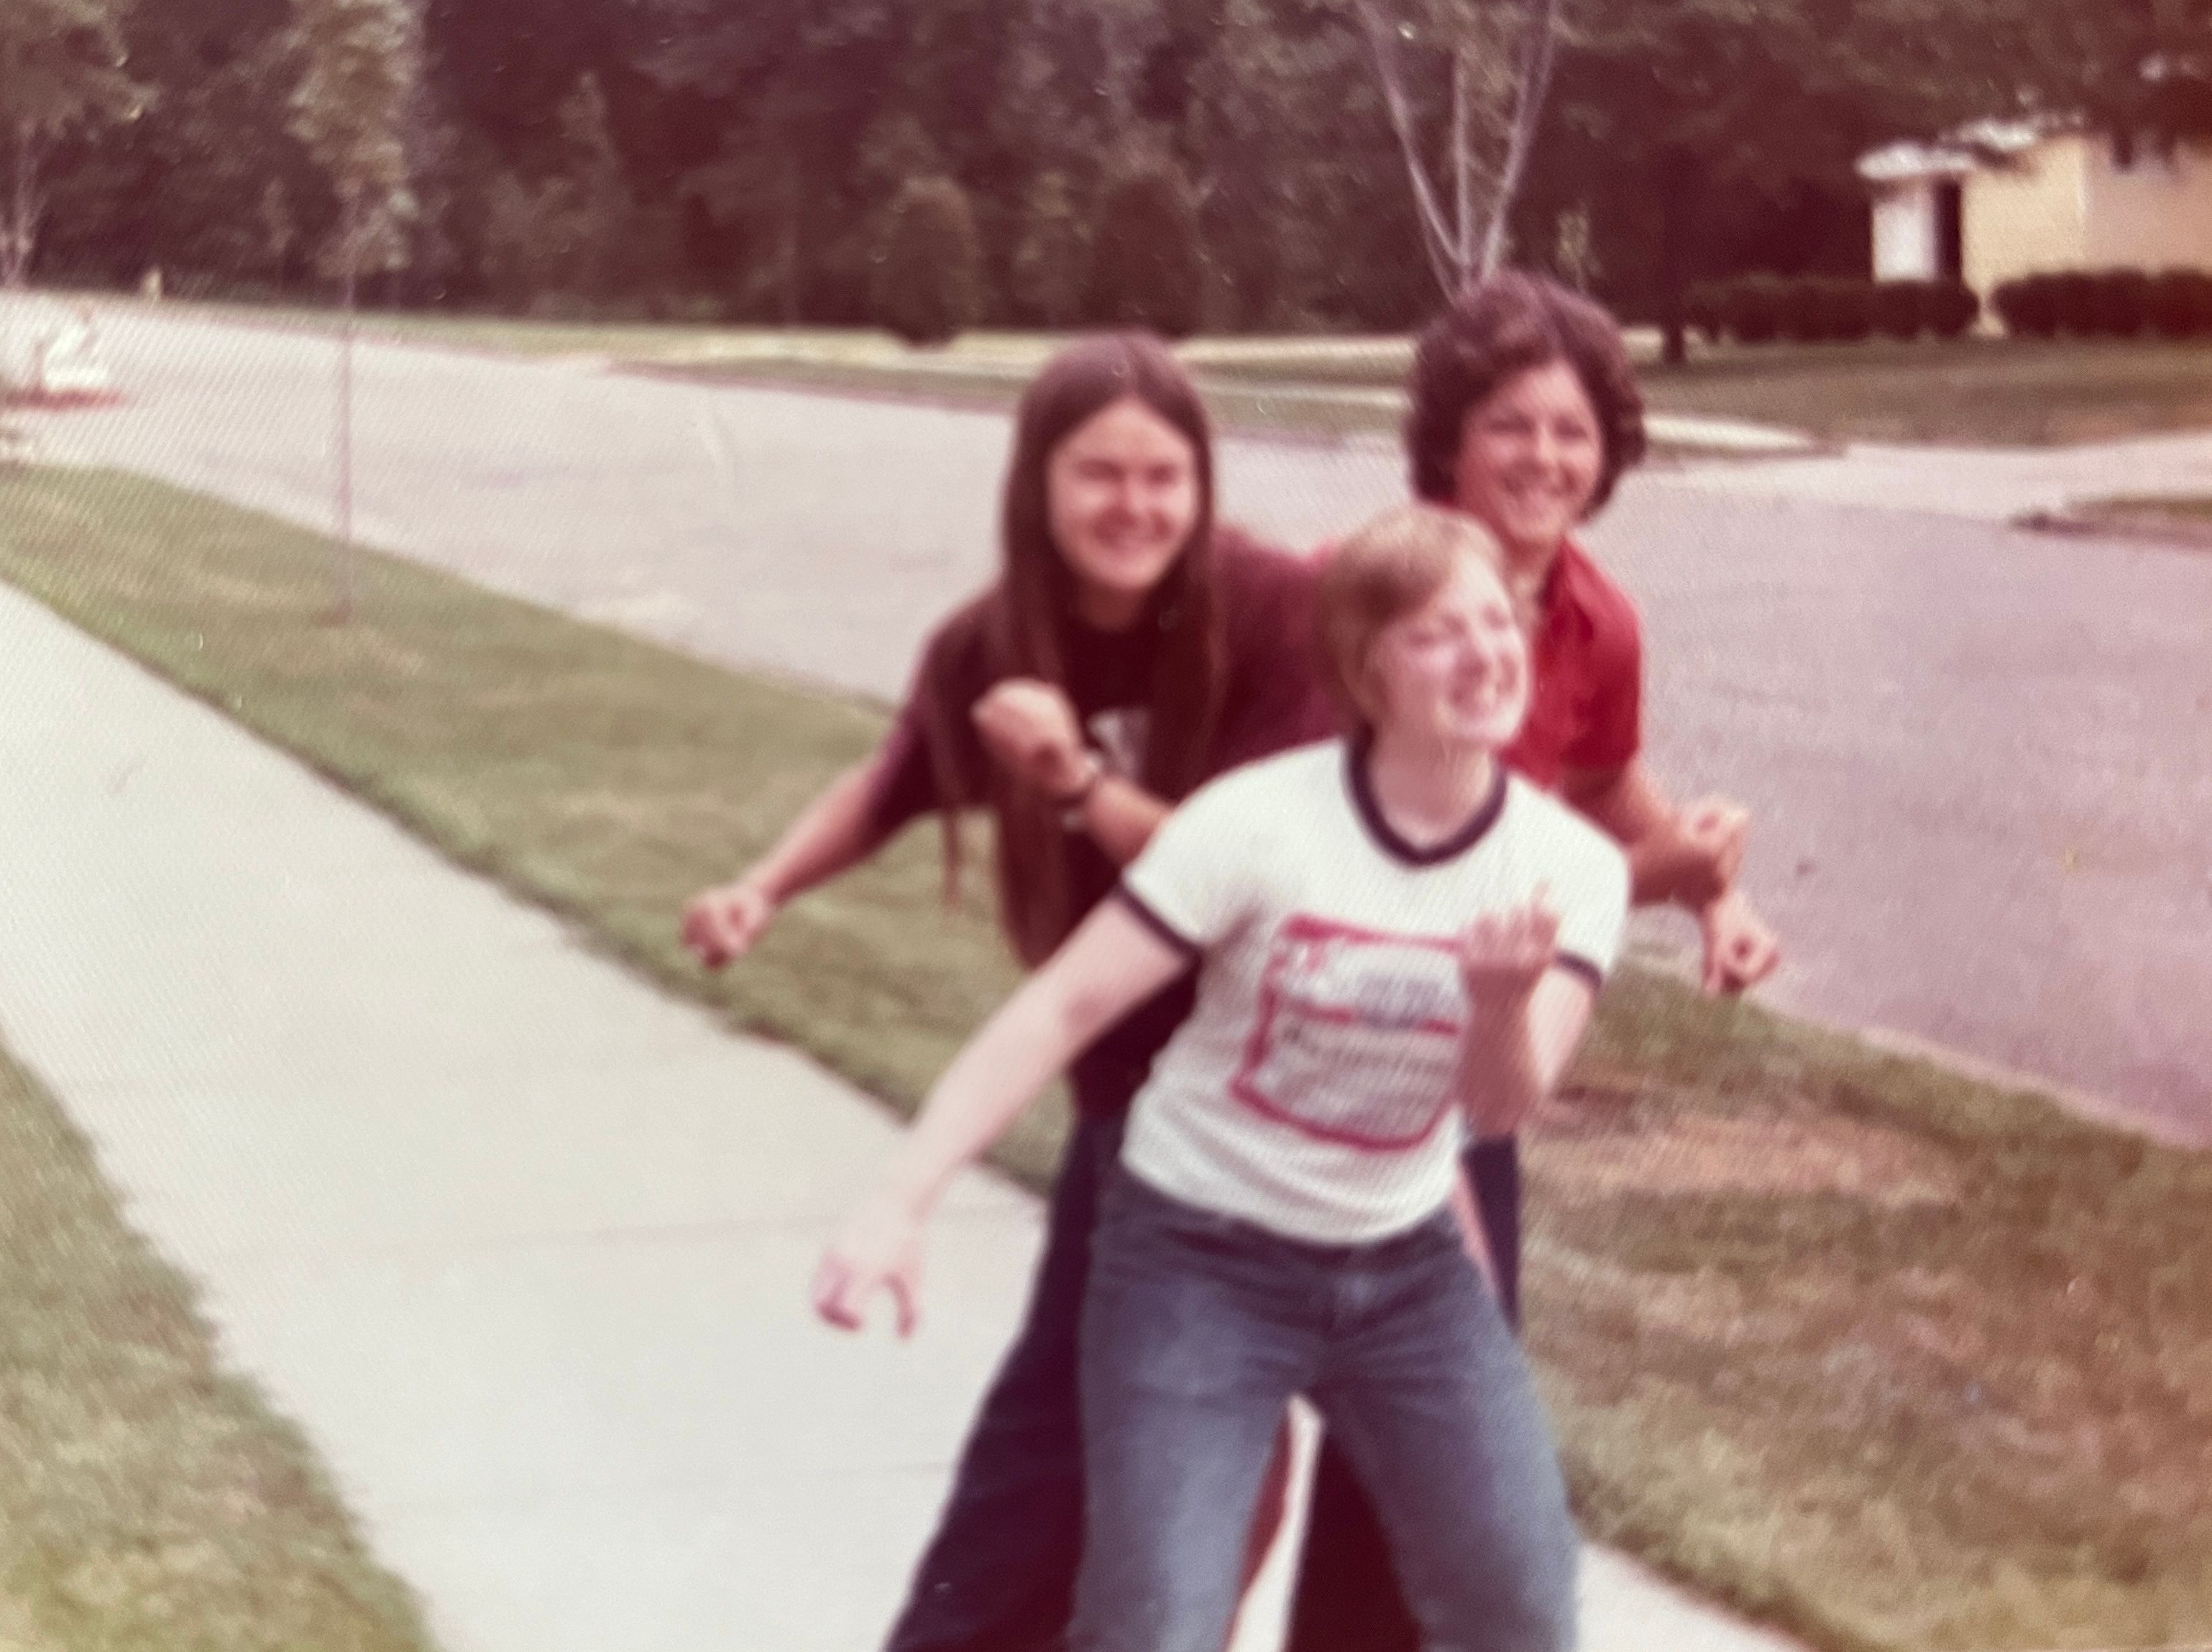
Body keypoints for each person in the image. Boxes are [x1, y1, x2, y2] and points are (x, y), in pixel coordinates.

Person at [815, 503, 1629, 1652]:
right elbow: (1064, 1004)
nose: (1485, 652)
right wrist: (899, 1200)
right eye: (1436, 633)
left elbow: (1499, 1108)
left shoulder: (1571, 870)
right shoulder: (1256, 824)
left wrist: (1497, 1004)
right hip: (1199, 1255)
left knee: (1521, 1602)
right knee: (1158, 1623)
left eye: (1497, 620)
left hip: (1403, 1271)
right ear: (1363, 670)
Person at [682, 331, 1331, 1652]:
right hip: (1124, 1090)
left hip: (1272, 1077)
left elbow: (1249, 882)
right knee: (1080, 1422)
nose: (1134, 506)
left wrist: (1076, 784)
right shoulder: (993, 643)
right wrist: (763, 887)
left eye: (1165, 476)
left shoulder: (1270, 610)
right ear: (1037, 480)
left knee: (1208, 1436)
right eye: (1100, 474)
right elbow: (893, 784)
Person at [1281, 270, 1783, 1652]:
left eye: (1572, 433)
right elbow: (1392, 880)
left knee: (1419, 1428)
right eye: (1510, 425)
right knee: (1235, 1447)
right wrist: (1646, 882)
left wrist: (1705, 894)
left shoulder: (1593, 618)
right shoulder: (1359, 596)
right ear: (1447, 436)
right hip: (1299, 1066)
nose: (1545, 460)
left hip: (1463, 1077)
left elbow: (1602, 782)